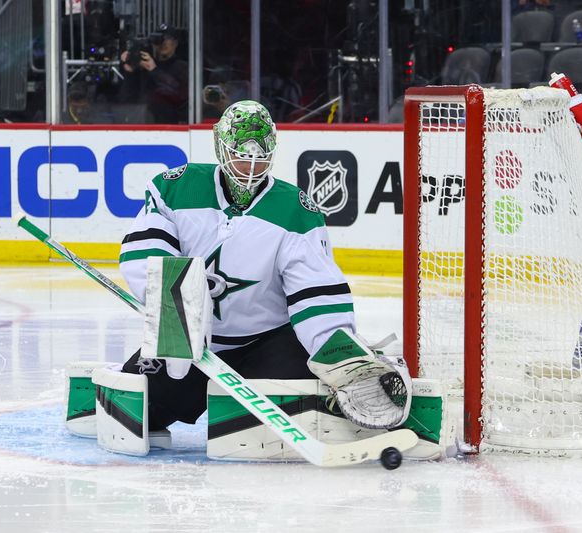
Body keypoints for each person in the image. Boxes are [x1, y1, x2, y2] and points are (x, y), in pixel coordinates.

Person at [118, 100, 410, 437]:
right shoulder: (174, 187)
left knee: (288, 415)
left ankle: (356, 375)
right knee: (136, 411)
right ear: (220, 146)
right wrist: (177, 306)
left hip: (268, 343)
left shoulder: (295, 210)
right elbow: (146, 250)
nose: (251, 165)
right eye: (241, 153)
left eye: (261, 154)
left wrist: (338, 351)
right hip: (190, 342)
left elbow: (314, 293)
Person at [118, 23, 188, 123]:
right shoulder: (144, 66)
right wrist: (130, 72)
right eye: (159, 38)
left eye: (167, 38)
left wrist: (154, 70)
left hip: (172, 126)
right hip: (144, 124)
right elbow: (126, 100)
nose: (163, 42)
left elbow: (180, 95)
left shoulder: (182, 67)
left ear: (175, 43)